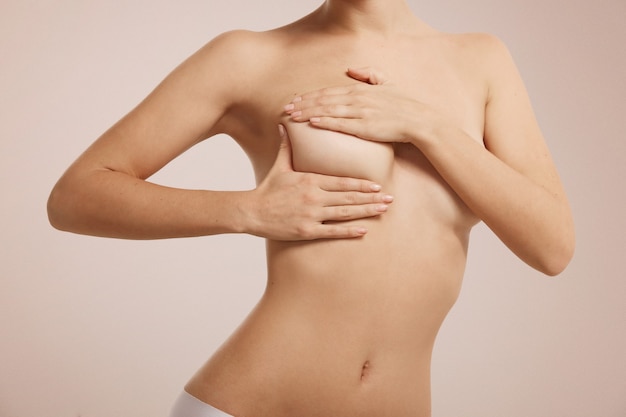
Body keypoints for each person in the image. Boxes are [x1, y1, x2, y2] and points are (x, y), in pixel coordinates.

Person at [47, 0, 575, 416]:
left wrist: (425, 125)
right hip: (251, 406)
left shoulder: (482, 60)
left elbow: (551, 247)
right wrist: (246, 211)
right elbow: (76, 196)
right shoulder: (248, 57)